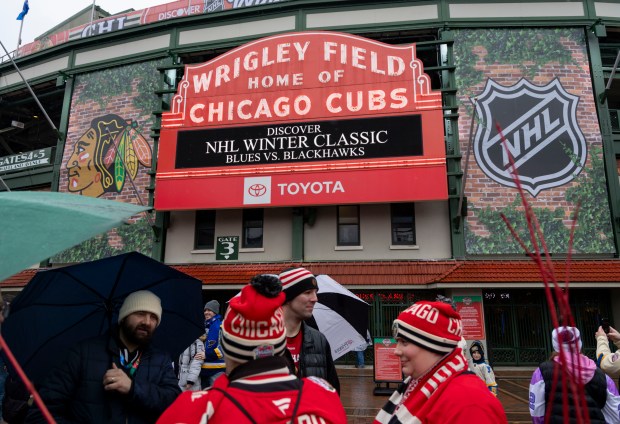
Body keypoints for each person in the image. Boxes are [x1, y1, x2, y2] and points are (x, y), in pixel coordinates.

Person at [156, 274, 347, 424]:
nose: (314, 299)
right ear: (280, 344)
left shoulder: (191, 410)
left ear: (228, 349)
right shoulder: (324, 396)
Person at [25, 290, 181, 424]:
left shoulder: (161, 360)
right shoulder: (83, 353)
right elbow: (41, 413)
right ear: (124, 316)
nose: (147, 322)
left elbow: (175, 404)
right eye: (140, 313)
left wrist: (133, 389)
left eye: (154, 317)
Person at [374, 300, 507, 423]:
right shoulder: (417, 384)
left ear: (433, 345)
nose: (396, 351)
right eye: (397, 342)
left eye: (404, 342)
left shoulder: (469, 403)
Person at [529, 326, 620, 423]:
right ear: (579, 343)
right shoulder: (602, 376)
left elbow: (537, 414)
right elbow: (616, 415)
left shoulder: (541, 373)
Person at [278, 267, 340, 393]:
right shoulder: (262, 342)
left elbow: (332, 393)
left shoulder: (319, 340)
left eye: (315, 292)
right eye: (307, 292)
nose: (315, 298)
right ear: (288, 297)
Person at [200, 299, 226, 388]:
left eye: (209, 310)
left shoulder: (221, 326)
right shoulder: (202, 327)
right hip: (201, 369)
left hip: (217, 370)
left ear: (215, 312)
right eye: (205, 310)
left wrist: (207, 354)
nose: (206, 312)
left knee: (216, 396)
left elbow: (224, 346)